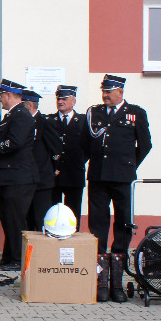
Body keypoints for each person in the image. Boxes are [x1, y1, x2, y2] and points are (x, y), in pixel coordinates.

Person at [83, 74, 151, 302]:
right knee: (98, 224)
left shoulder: (135, 113)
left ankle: (117, 283)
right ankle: (101, 282)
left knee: (123, 223)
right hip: (98, 177)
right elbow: (85, 143)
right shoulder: (94, 112)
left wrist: (128, 165)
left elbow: (145, 144)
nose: (105, 95)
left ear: (120, 92)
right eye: (103, 91)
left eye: (109, 91)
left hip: (122, 178)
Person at [0, 79, 38, 271]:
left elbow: (14, 142)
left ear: (9, 95)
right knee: (7, 218)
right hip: (9, 177)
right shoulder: (12, 115)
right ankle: (8, 256)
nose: (0, 99)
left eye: (1, 96)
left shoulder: (21, 115)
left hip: (18, 178)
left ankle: (18, 259)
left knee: (15, 220)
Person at [23, 90, 62, 231]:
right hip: (26, 178)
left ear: (29, 105)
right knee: (27, 218)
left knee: (41, 217)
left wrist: (52, 168)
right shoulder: (22, 122)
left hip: (42, 178)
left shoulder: (44, 122)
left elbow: (56, 149)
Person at [50, 85, 88, 228]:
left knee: (73, 211)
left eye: (64, 99)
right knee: (53, 211)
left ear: (73, 101)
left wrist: (80, 161)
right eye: (58, 99)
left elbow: (89, 147)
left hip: (74, 173)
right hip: (54, 174)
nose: (60, 102)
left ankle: (72, 235)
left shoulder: (83, 121)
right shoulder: (49, 120)